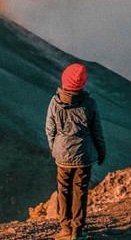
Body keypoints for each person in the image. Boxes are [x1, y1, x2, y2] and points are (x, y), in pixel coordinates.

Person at [46, 63, 106, 240]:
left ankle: (65, 229)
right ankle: (77, 232)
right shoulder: (89, 104)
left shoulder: (55, 102)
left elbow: (50, 129)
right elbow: (97, 131)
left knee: (63, 191)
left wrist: (55, 149)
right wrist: (101, 152)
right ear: (82, 83)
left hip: (62, 156)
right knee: (80, 191)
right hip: (84, 157)